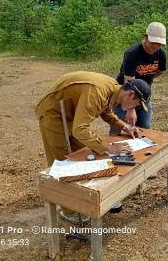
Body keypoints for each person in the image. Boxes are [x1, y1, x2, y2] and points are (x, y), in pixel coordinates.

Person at [36, 71, 151, 220]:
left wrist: (125, 127)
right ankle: (68, 210)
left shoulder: (113, 89)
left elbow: (106, 112)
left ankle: (84, 197)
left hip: (72, 115)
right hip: (53, 113)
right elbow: (80, 130)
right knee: (62, 163)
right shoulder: (97, 91)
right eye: (136, 104)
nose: (134, 107)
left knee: (84, 155)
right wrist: (107, 147)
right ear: (130, 94)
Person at [111, 22, 167, 133]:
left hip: (144, 97)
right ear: (145, 37)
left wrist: (145, 80)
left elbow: (159, 71)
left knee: (144, 128)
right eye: (153, 42)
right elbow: (129, 83)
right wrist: (131, 109)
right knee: (119, 130)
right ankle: (113, 149)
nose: (156, 46)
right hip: (125, 96)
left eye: (159, 43)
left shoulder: (161, 54)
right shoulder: (132, 53)